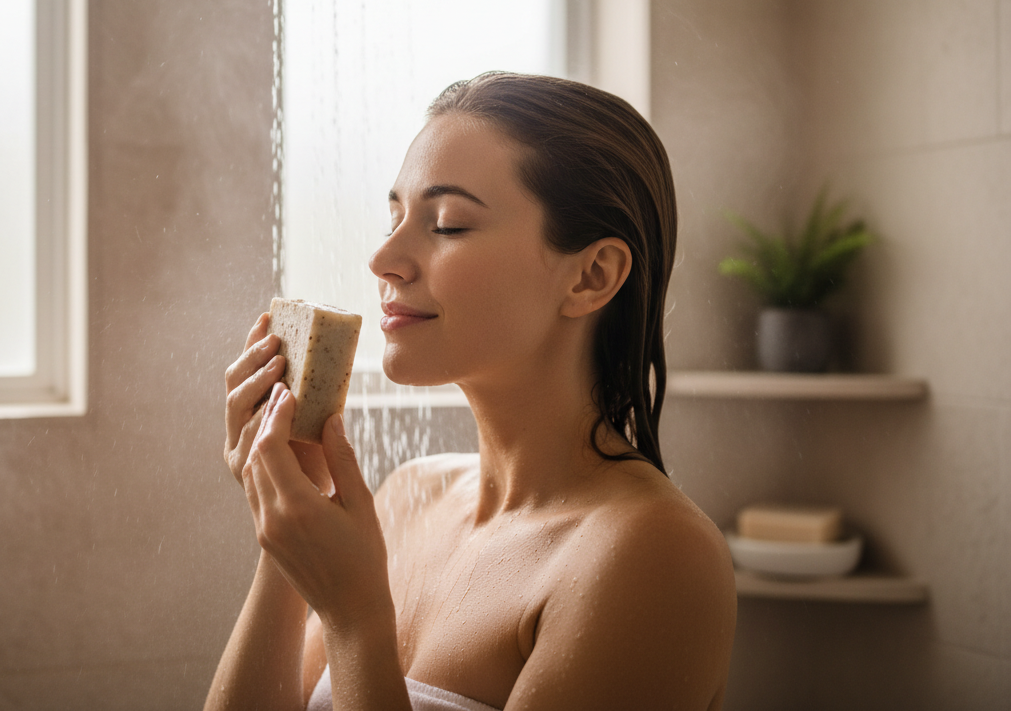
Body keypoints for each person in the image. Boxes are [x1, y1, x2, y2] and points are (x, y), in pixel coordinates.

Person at [207, 73, 737, 711]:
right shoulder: (410, 495)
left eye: (448, 224)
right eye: (395, 216)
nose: (383, 258)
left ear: (592, 276)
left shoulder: (655, 556)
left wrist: (355, 618)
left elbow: (355, 631)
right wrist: (284, 537)